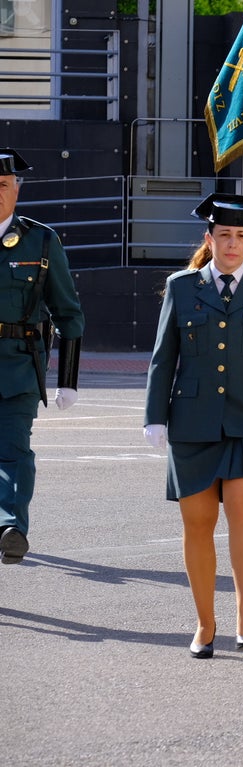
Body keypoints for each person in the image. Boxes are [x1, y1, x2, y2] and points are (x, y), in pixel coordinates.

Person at [144, 193, 243, 657]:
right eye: (225, 236)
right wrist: (154, 417)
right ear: (209, 240)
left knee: (242, 510)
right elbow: (162, 358)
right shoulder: (181, 287)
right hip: (191, 421)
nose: (233, 245)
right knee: (197, 523)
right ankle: (204, 623)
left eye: (242, 236)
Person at [0, 148, 84, 566]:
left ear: (17, 189)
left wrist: (67, 379)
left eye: (2, 185)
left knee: (14, 448)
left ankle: (12, 527)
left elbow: (68, 312)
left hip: (18, 365)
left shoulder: (42, 240)